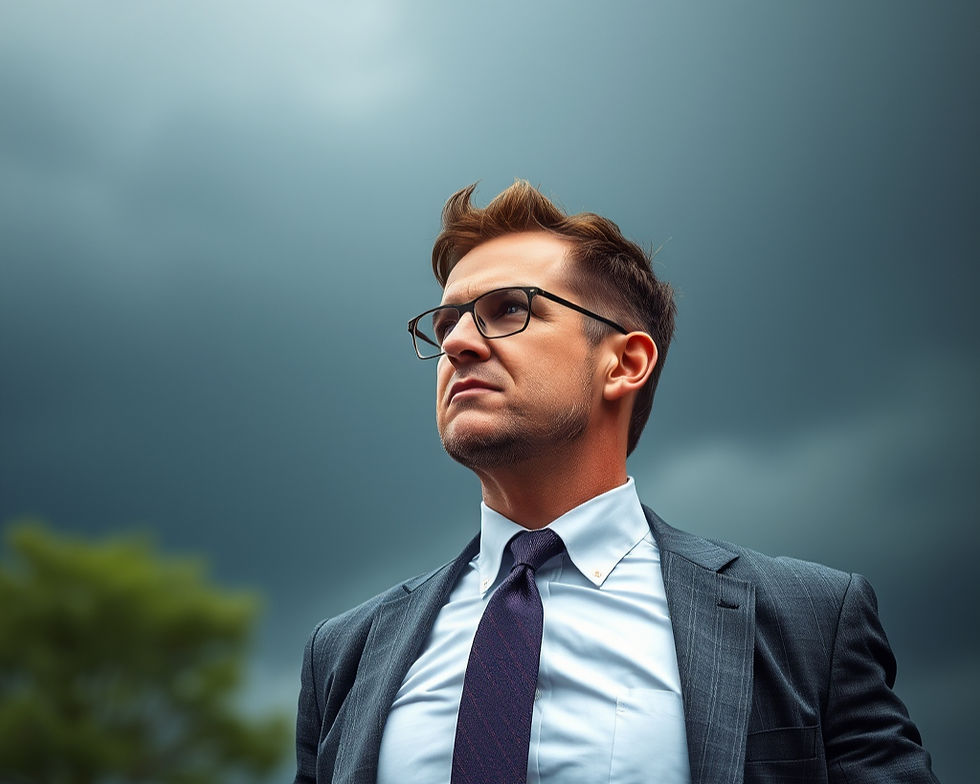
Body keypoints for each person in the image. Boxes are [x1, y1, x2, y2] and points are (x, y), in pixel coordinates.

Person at [293, 181, 937, 783]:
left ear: (625, 362)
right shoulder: (345, 652)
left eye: (508, 309)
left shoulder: (808, 619)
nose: (458, 343)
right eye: (445, 325)